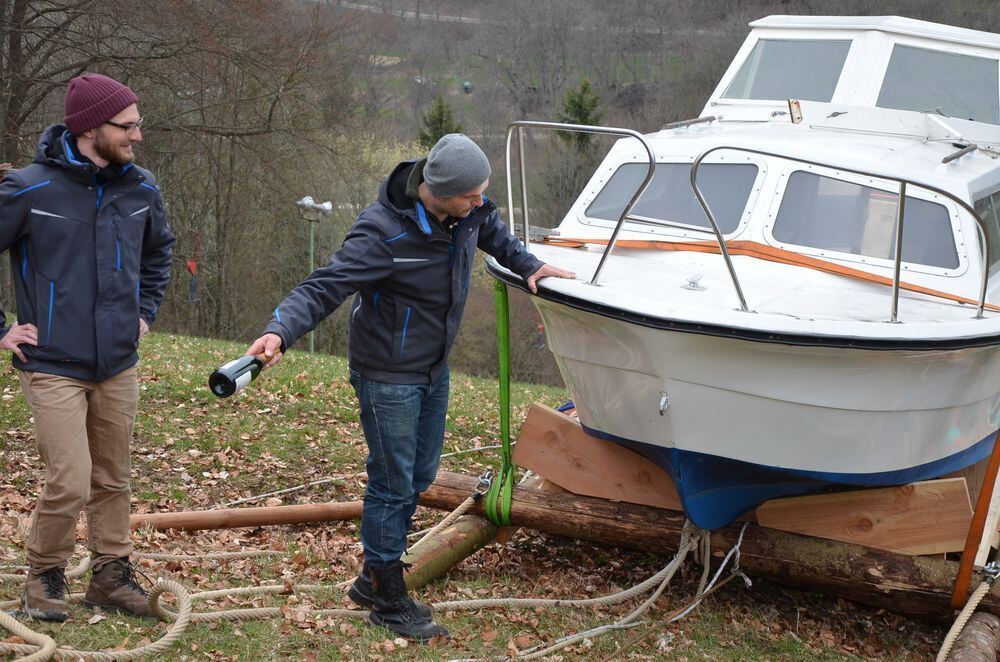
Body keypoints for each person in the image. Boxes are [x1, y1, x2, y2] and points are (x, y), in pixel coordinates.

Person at [246, 134, 574, 641]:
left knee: (419, 475)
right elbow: (325, 284)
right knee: (392, 483)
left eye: (483, 192)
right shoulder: (381, 233)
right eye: (472, 194)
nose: (481, 202)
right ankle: (388, 597)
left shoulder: (466, 214)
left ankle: (369, 580)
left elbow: (491, 230)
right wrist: (280, 329)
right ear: (437, 190)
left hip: (432, 370)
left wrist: (529, 266)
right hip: (386, 376)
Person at [0, 73, 175, 621]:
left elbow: (159, 252)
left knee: (114, 477)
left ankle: (110, 575)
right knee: (70, 479)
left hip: (117, 362)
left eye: (137, 124)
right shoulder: (28, 188)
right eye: (127, 126)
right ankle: (45, 575)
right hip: (52, 363)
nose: (137, 136)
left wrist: (144, 312)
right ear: (89, 129)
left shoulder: (141, 188)